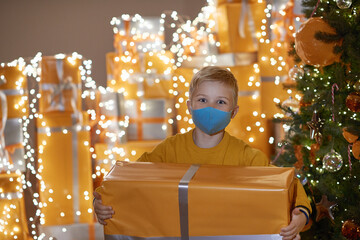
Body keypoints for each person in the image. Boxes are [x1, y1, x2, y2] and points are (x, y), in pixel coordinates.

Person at [93, 66, 311, 240]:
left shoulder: (246, 157)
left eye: (221, 102)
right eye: (203, 100)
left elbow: (287, 184)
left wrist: (300, 215)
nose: (210, 108)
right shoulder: (169, 149)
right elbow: (130, 181)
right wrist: (101, 202)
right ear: (190, 105)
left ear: (233, 112)